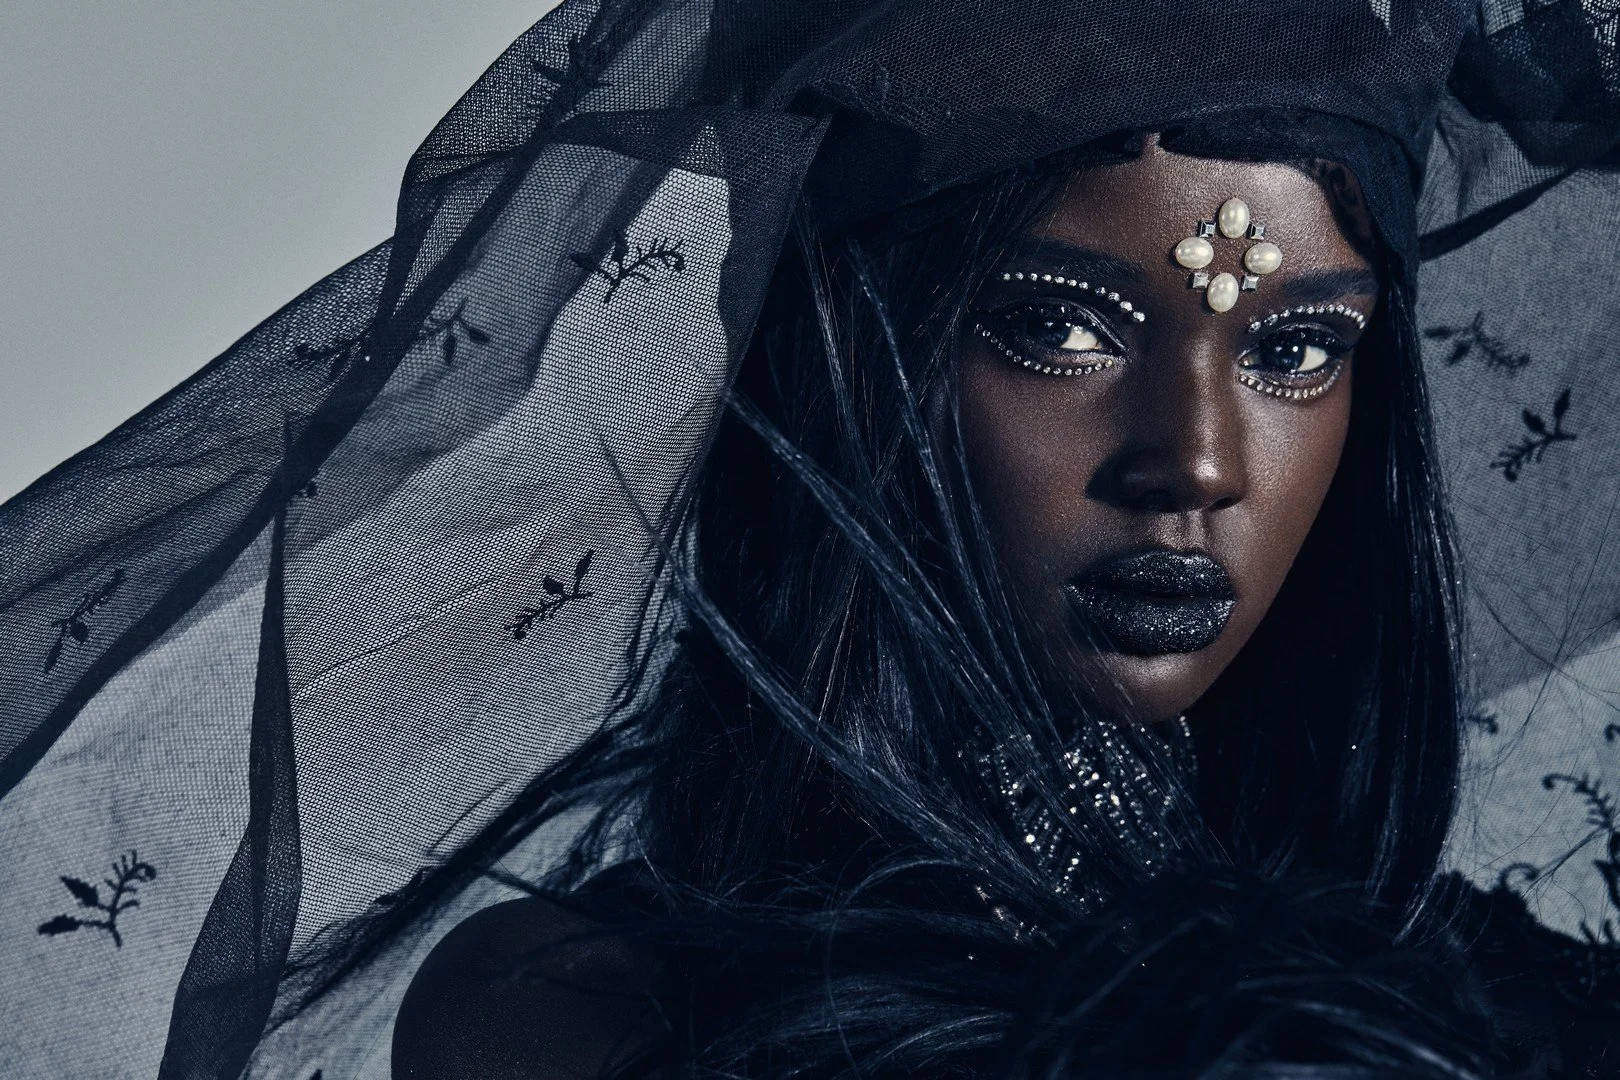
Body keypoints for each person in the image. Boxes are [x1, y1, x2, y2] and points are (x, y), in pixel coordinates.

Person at [2, 2, 1618, 1078]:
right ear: (855, 362)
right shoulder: (583, 1016)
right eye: (1058, 329)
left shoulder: (1501, 1000)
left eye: (1296, 351)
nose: (1191, 461)